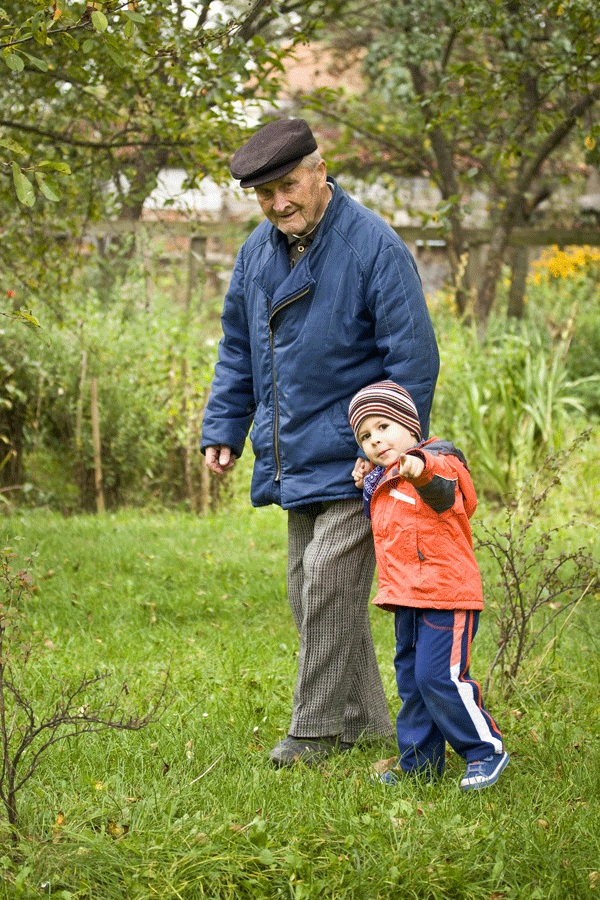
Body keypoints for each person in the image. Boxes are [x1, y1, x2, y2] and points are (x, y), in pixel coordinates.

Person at [201, 118, 440, 768]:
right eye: (265, 194)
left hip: (362, 459)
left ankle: (310, 735)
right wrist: (224, 424)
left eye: (288, 185)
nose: (280, 204)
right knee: (307, 587)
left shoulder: (374, 248)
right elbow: (238, 347)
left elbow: (413, 361)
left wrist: (394, 450)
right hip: (295, 453)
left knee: (328, 579)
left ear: (319, 168)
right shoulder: (257, 251)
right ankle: (364, 723)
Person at [348, 380, 509, 790]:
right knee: (413, 682)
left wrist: (422, 471)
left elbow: (448, 497)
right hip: (405, 596)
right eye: (365, 436)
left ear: (410, 425)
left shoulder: (440, 461)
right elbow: (388, 524)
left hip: (446, 594)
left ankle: (485, 750)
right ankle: (420, 765)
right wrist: (367, 481)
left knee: (441, 676)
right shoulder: (385, 479)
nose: (376, 439)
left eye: (384, 426)